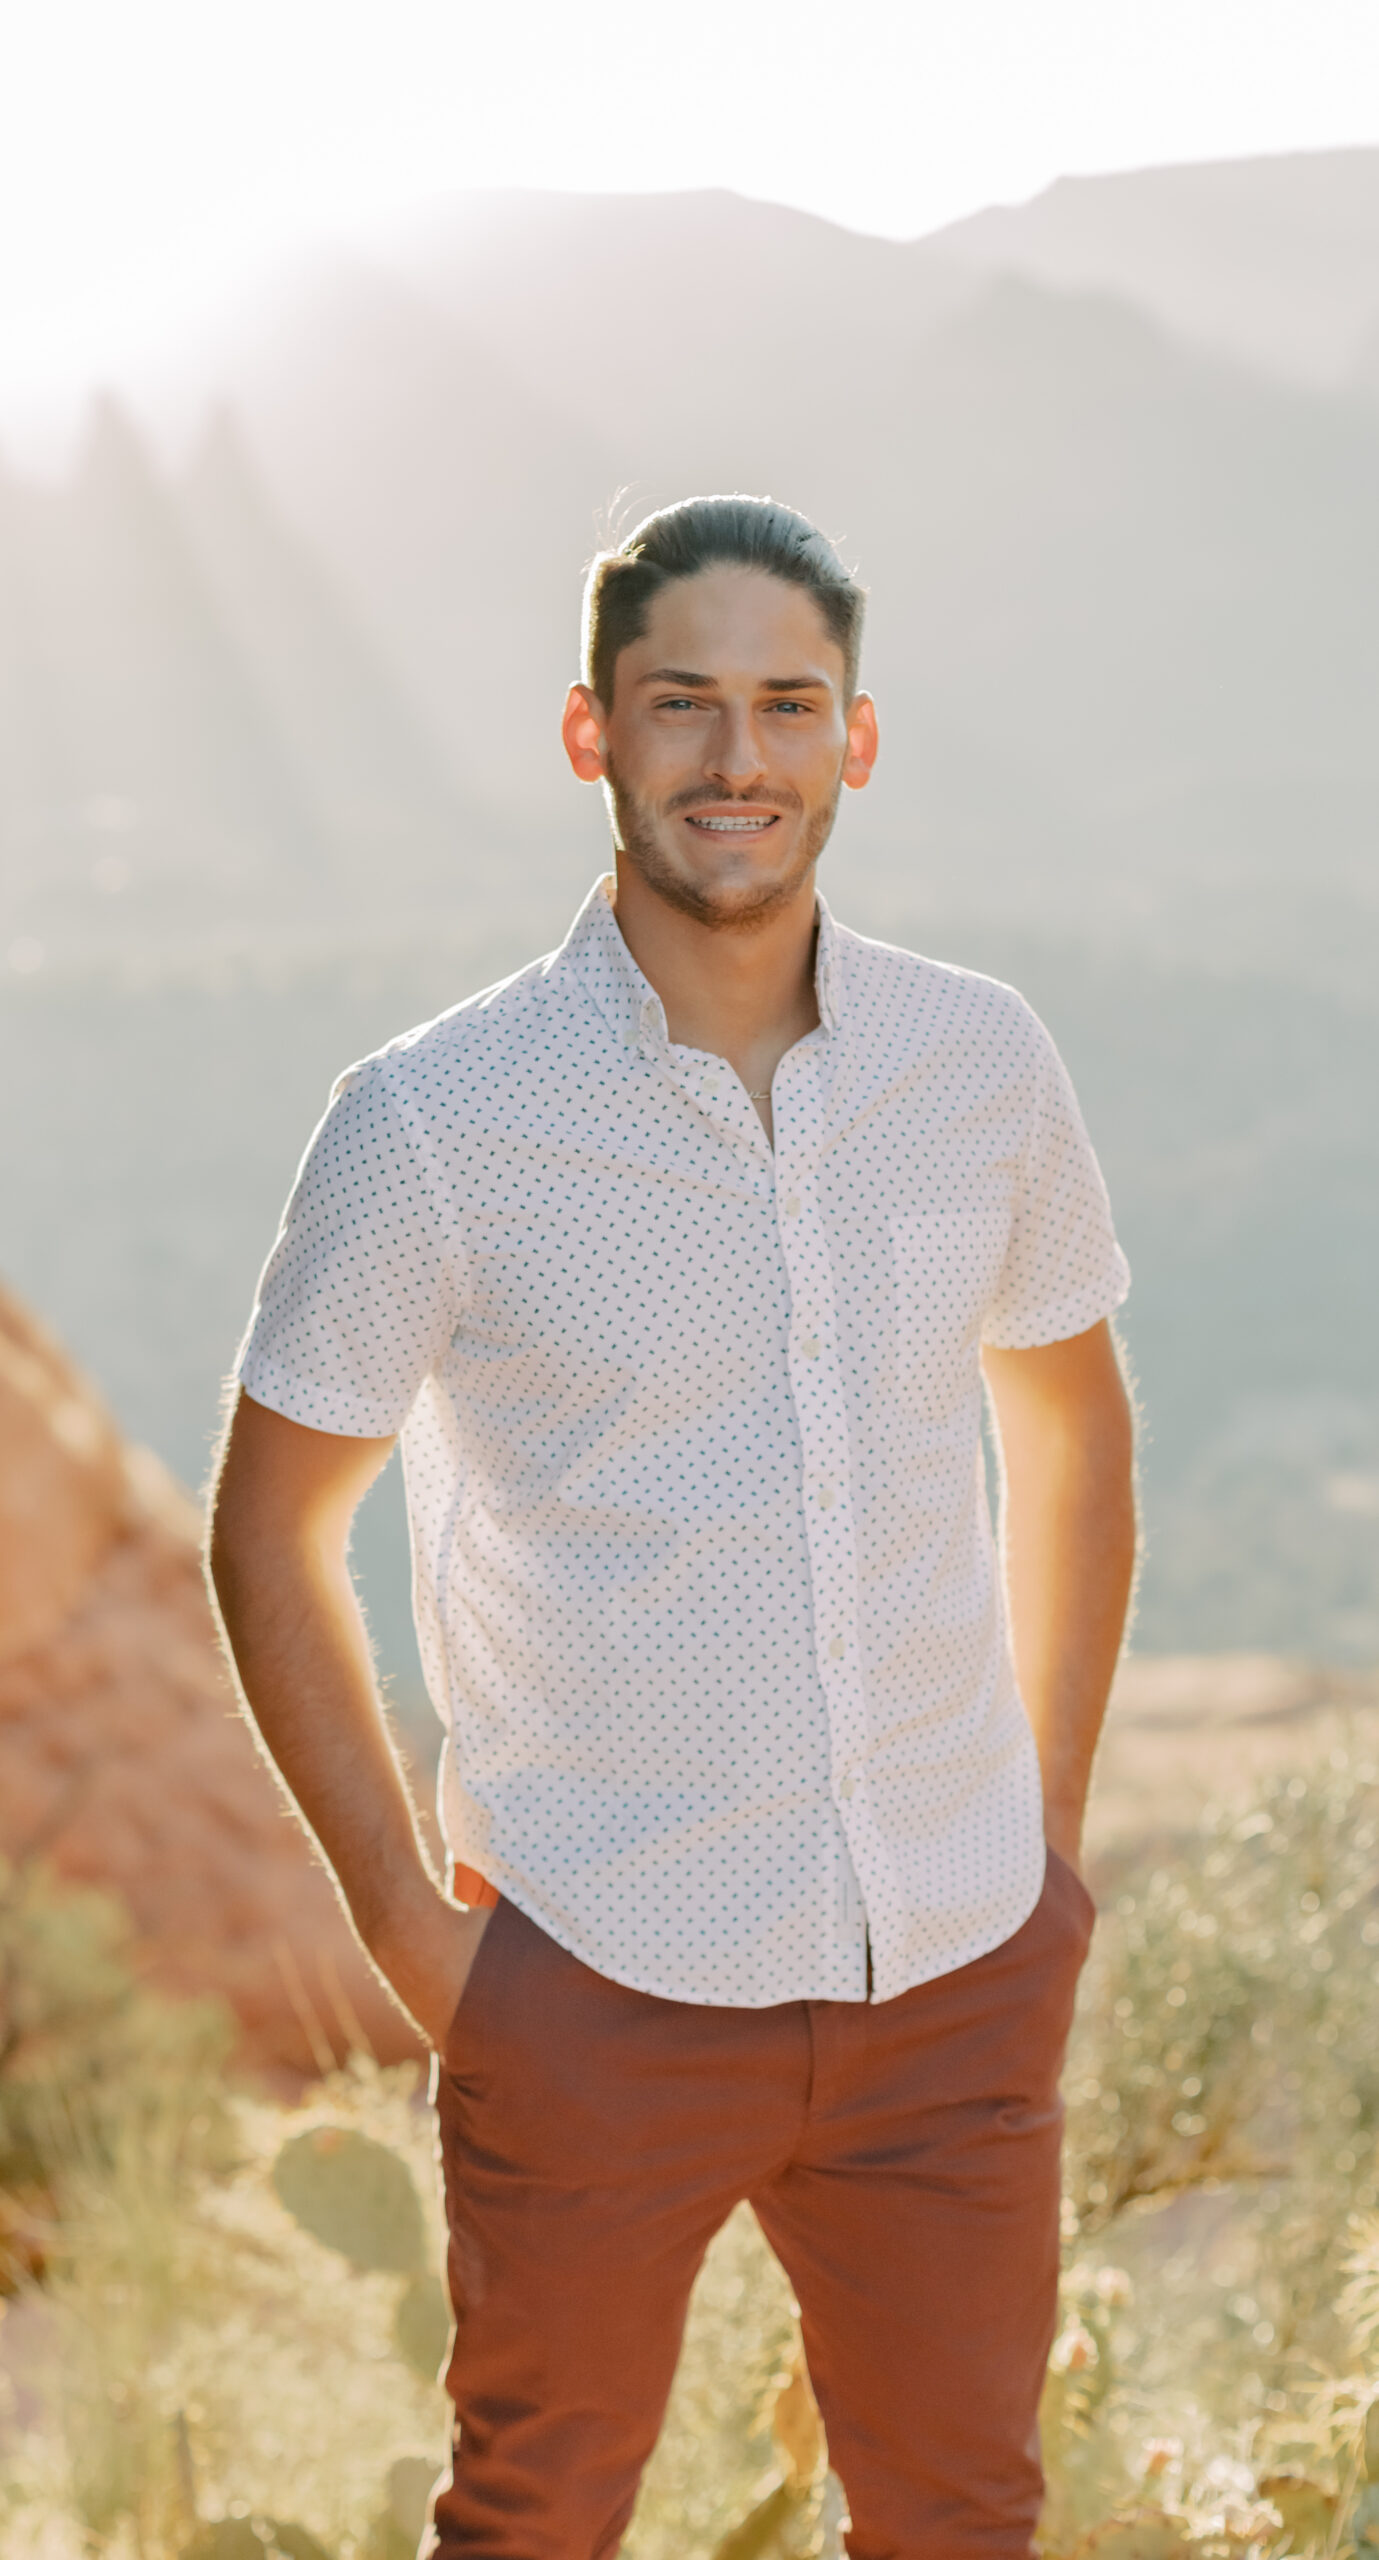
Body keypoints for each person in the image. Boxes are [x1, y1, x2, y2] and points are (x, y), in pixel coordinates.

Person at [206, 494, 1137, 2560]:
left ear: (855, 740)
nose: (738, 758)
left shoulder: (979, 1062)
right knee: (532, 2519)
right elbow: (270, 1527)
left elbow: (1067, 1441)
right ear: (589, 735)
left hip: (952, 1972)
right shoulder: (436, 1120)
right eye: (682, 705)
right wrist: (417, 1941)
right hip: (593, 1979)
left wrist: (1042, 1850)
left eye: (785, 704)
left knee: (962, 2517)